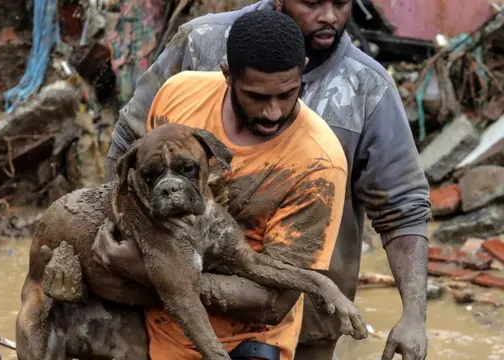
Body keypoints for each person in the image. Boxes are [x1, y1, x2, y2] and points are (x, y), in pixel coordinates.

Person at [99, 0, 432, 359]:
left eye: (341, 3)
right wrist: (123, 238)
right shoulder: (200, 50)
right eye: (313, 2)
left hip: (290, 316)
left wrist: (414, 315)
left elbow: (403, 206)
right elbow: (130, 147)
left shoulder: (362, 94)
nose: (330, 16)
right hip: (161, 311)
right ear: (229, 75)